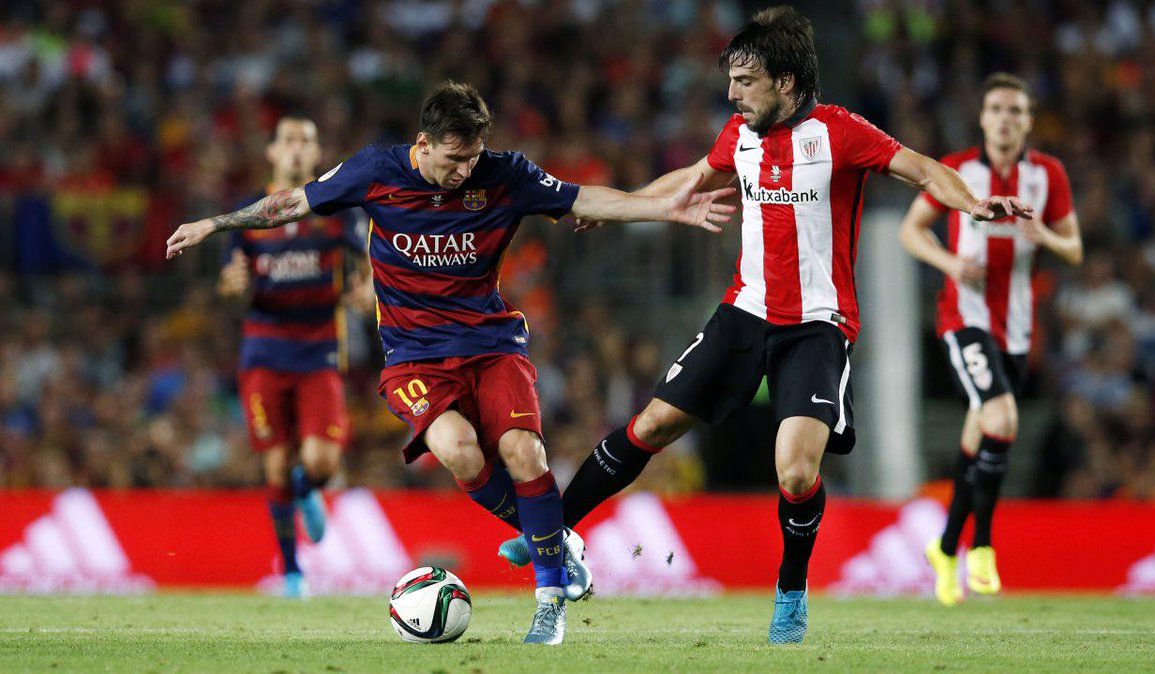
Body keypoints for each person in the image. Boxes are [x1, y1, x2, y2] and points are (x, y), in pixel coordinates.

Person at [497, 6, 1032, 644]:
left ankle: (791, 592)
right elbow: (693, 179)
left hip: (816, 323)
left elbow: (922, 168)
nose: (732, 94)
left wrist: (972, 202)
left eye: (745, 81)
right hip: (744, 311)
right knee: (652, 424)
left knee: (797, 473)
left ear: (784, 82)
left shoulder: (841, 133)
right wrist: (621, 210)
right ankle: (552, 532)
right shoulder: (739, 134)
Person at [166, 81, 735, 645]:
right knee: (459, 451)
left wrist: (665, 208)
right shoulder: (374, 171)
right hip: (414, 355)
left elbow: (583, 198)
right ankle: (557, 543)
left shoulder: (504, 173)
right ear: (424, 142)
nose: (465, 170)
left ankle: (549, 601)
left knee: (523, 450)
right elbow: (291, 202)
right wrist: (214, 224)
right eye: (454, 159)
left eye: (473, 158)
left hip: (491, 344)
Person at [899, 73, 1082, 606]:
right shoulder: (957, 171)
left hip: (1018, 329)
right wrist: (950, 261)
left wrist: (1043, 235)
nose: (1005, 118)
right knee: (1002, 418)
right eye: (996, 109)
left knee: (979, 434)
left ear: (1028, 121)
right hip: (964, 316)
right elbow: (911, 231)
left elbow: (1073, 249)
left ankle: (946, 547)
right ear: (982, 118)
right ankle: (981, 544)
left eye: (1015, 110)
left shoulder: (1048, 175)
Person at [217, 115, 373, 598]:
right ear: (272, 152)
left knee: (322, 462)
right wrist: (231, 284)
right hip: (264, 351)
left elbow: (368, 261)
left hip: (320, 348)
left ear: (317, 152)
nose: (297, 149)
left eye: (306, 141)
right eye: (289, 141)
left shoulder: (338, 212)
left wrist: (366, 287)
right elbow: (229, 279)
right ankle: (291, 573)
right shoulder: (247, 217)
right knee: (276, 466)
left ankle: (312, 488)